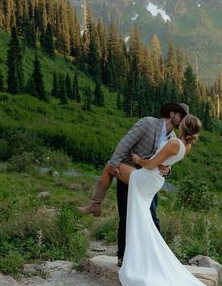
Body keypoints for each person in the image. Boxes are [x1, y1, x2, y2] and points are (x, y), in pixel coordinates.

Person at [118, 114, 222, 286]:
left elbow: (152, 164)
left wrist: (136, 159)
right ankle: (138, 254)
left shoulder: (175, 143)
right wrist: (165, 166)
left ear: (183, 126)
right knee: (143, 220)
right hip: (155, 180)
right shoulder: (186, 146)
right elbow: (165, 163)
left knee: (117, 168)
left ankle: (135, 256)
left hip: (147, 177)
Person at [78, 102, 189, 266]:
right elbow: (126, 142)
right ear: (172, 114)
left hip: (147, 180)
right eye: (181, 116)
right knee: (125, 216)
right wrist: (115, 163)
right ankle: (123, 256)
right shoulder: (148, 123)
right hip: (128, 174)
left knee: (151, 217)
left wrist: (168, 170)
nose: (182, 121)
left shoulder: (173, 139)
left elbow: (165, 161)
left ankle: (153, 258)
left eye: (185, 119)